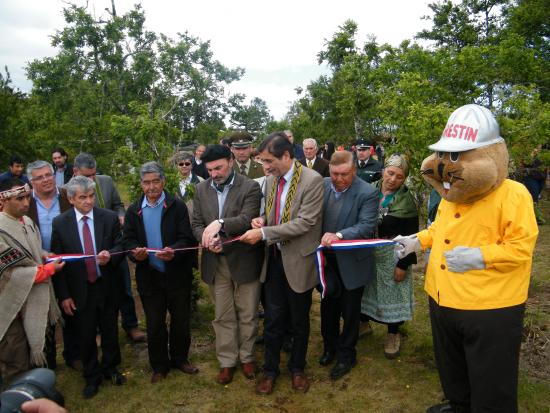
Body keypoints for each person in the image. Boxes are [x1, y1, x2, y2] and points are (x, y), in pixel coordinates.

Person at [396, 104, 539, 413]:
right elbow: (440, 230)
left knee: (492, 379)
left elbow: (521, 247)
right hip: (442, 296)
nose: (446, 166)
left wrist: (479, 257)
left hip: (489, 307)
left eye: (457, 156)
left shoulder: (513, 195)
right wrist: (415, 242)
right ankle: (460, 405)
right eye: (445, 155)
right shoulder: (452, 192)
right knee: (452, 368)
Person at [240, 132, 324, 395]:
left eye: (268, 161)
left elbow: (305, 223)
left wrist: (264, 233)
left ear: (286, 156)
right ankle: (270, 370)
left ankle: (298, 368)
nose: (265, 167)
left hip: (298, 261)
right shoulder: (270, 180)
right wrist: (260, 221)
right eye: (263, 161)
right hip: (274, 259)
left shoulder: (312, 181)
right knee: (274, 320)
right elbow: (272, 213)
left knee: (299, 321)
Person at [192, 145, 264, 385]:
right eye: (209, 170)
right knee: (222, 314)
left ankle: (247, 356)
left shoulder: (250, 187)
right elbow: (196, 223)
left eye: (218, 168)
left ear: (231, 161)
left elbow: (247, 218)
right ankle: (226, 361)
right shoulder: (200, 190)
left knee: (247, 311)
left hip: (243, 259)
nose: (214, 174)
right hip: (215, 263)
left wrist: (220, 224)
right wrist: (206, 238)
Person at [123, 162, 198, 383]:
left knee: (181, 320)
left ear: (164, 181)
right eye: (146, 182)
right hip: (149, 274)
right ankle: (159, 365)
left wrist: (173, 251)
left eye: (156, 181)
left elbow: (187, 238)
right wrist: (134, 254)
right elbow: (128, 239)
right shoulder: (134, 210)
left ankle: (180, 358)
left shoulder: (177, 206)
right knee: (155, 324)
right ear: (141, 184)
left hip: (176, 273)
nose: (151, 187)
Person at [51, 176, 125, 399]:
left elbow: (121, 245)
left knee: (110, 329)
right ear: (71, 199)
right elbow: (59, 263)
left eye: (91, 196)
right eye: (83, 197)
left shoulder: (109, 218)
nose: (89, 201)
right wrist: (64, 296)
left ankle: (111, 368)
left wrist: (110, 255)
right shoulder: (61, 223)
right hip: (80, 289)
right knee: (85, 333)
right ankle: (91, 375)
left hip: (106, 284)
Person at [73, 153, 146, 343]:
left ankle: (131, 325)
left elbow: (118, 204)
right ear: (75, 172)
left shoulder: (106, 181)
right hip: (89, 248)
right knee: (93, 291)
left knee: (124, 287)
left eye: (93, 175)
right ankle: (98, 329)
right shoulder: (68, 191)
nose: (91, 179)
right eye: (86, 176)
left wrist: (120, 215)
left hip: (114, 244)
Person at [318, 151, 378, 380]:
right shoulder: (322, 185)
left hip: (352, 262)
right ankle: (329, 347)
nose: (339, 179)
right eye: (334, 174)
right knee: (327, 307)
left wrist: (339, 235)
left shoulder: (368, 192)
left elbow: (366, 226)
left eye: (344, 174)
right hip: (326, 261)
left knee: (350, 311)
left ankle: (346, 355)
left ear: (354, 170)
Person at [0, 178, 63, 386]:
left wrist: (46, 255)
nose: (26, 202)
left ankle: (37, 392)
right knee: (16, 361)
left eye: (27, 196)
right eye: (19, 198)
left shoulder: (27, 222)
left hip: (34, 303)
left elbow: (32, 252)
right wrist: (47, 270)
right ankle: (17, 402)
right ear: (3, 200)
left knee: (37, 353)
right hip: (10, 309)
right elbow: (10, 273)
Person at [360, 154, 419, 359]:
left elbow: (412, 237)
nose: (393, 179)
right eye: (390, 173)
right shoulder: (368, 190)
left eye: (399, 176)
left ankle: (393, 334)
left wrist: (403, 264)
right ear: (383, 170)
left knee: (393, 293)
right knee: (366, 289)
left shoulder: (407, 202)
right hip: (368, 252)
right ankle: (363, 324)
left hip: (394, 254)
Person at [26, 160, 72, 369]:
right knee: (45, 316)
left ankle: (74, 354)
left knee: (72, 309)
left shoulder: (67, 196)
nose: (46, 180)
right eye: (39, 177)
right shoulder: (24, 202)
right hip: (38, 268)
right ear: (31, 181)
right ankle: (48, 362)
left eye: (48, 174)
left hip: (69, 264)